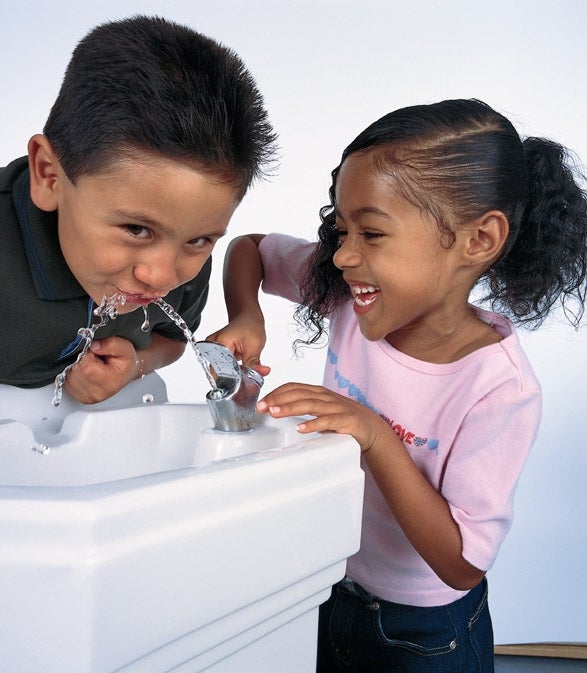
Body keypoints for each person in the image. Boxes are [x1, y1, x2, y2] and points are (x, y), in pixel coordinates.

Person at [208, 99, 587, 672]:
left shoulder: (498, 387)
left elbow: (463, 565)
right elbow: (251, 249)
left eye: (372, 232)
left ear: (478, 240)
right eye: (341, 230)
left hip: (423, 631)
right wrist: (246, 316)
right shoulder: (348, 292)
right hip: (332, 582)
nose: (343, 254)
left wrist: (376, 437)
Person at [0, 15, 276, 450]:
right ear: (49, 175)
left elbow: (169, 341)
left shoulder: (181, 247)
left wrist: (137, 364)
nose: (161, 276)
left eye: (200, 240)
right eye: (136, 229)